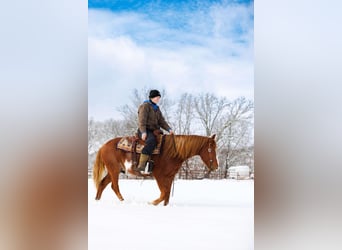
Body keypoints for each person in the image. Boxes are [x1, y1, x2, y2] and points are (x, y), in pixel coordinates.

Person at [135, 89, 174, 172]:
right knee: (151, 141)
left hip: (154, 130)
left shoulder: (157, 108)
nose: (158, 99)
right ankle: (142, 165)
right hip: (145, 129)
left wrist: (169, 129)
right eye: (156, 97)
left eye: (159, 97)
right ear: (151, 97)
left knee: (164, 141)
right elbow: (142, 120)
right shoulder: (145, 106)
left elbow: (161, 121)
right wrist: (143, 132)